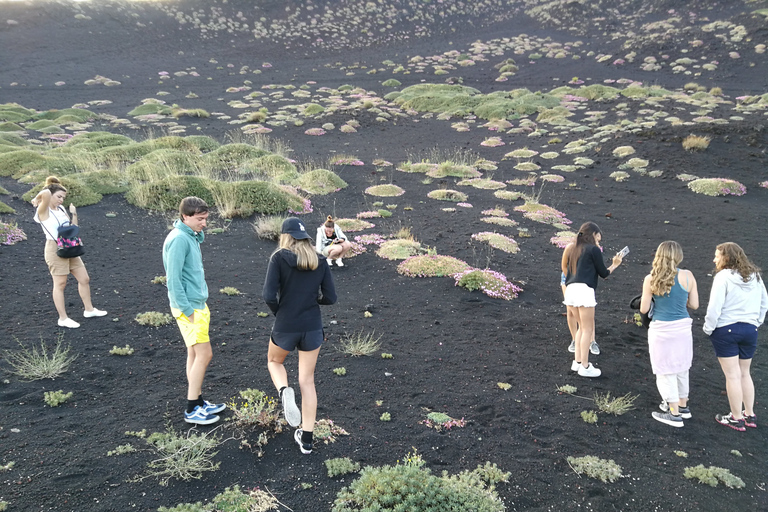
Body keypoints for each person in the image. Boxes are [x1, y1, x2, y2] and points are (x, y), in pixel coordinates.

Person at [264, 217, 337, 454]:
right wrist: (313, 300)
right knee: (307, 381)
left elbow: (268, 296)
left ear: (285, 236)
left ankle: (285, 391)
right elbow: (331, 297)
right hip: (312, 326)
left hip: (286, 324)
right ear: (305, 236)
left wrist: (280, 312)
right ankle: (306, 440)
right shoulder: (320, 259)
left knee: (275, 361)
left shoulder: (278, 258)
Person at [162, 197, 225, 426]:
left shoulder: (188, 236)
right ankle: (191, 409)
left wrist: (197, 232)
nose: (204, 224)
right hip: (189, 307)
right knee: (205, 354)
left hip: (196, 304)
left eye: (205, 219)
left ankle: (197, 401)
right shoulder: (179, 239)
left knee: (194, 354)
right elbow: (173, 280)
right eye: (200, 219)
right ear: (185, 216)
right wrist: (187, 310)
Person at [704, 242, 768, 431]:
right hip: (750, 330)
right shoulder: (755, 276)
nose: (714, 259)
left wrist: (709, 328)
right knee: (745, 373)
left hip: (726, 330)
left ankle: (736, 418)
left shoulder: (723, 277)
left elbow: (714, 307)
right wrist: (756, 322)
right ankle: (749, 414)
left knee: (732, 375)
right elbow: (764, 302)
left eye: (717, 255)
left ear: (727, 257)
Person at [31, 176, 107, 328]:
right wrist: (37, 197)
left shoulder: (61, 209)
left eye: (63, 198)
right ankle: (63, 318)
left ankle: (89, 310)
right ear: (51, 195)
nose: (61, 200)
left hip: (70, 246)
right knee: (60, 283)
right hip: (54, 249)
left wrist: (74, 214)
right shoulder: (43, 211)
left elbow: (73, 228)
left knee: (84, 279)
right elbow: (46, 192)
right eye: (59, 197)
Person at [639, 241, 699, 428]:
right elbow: (695, 305)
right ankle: (683, 406)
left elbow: (644, 308)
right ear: (678, 256)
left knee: (665, 369)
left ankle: (673, 413)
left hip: (661, 329)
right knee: (681, 367)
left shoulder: (651, 279)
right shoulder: (688, 276)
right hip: (682, 328)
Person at [561, 222, 623, 377]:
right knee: (587, 329)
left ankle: (577, 362)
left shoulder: (574, 248)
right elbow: (603, 273)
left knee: (581, 327)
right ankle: (585, 366)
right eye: (598, 238)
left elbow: (565, 269)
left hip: (570, 290)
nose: (598, 242)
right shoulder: (593, 249)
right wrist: (615, 264)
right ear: (594, 235)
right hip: (584, 290)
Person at [563, 271, 599, 356]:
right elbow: (564, 265)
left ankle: (592, 341)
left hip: (585, 277)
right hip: (569, 277)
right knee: (570, 310)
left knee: (587, 311)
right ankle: (575, 340)